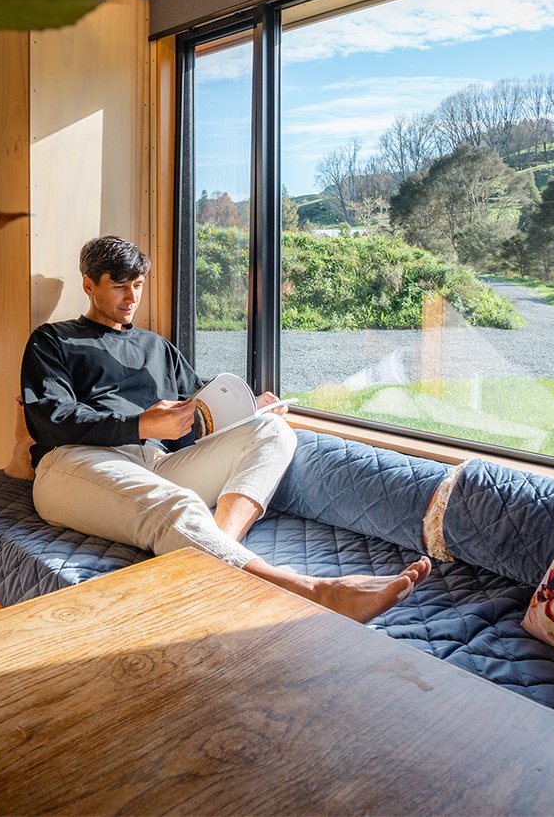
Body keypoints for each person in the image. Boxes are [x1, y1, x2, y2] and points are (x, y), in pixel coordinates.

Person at [21, 235, 430, 622]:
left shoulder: (157, 347)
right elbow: (49, 419)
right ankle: (313, 591)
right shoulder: (54, 340)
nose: (132, 297)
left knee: (273, 432)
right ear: (89, 284)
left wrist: (251, 407)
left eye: (139, 285)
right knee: (179, 506)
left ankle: (218, 552)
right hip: (75, 463)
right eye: (120, 285)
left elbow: (201, 398)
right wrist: (141, 422)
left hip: (157, 462)